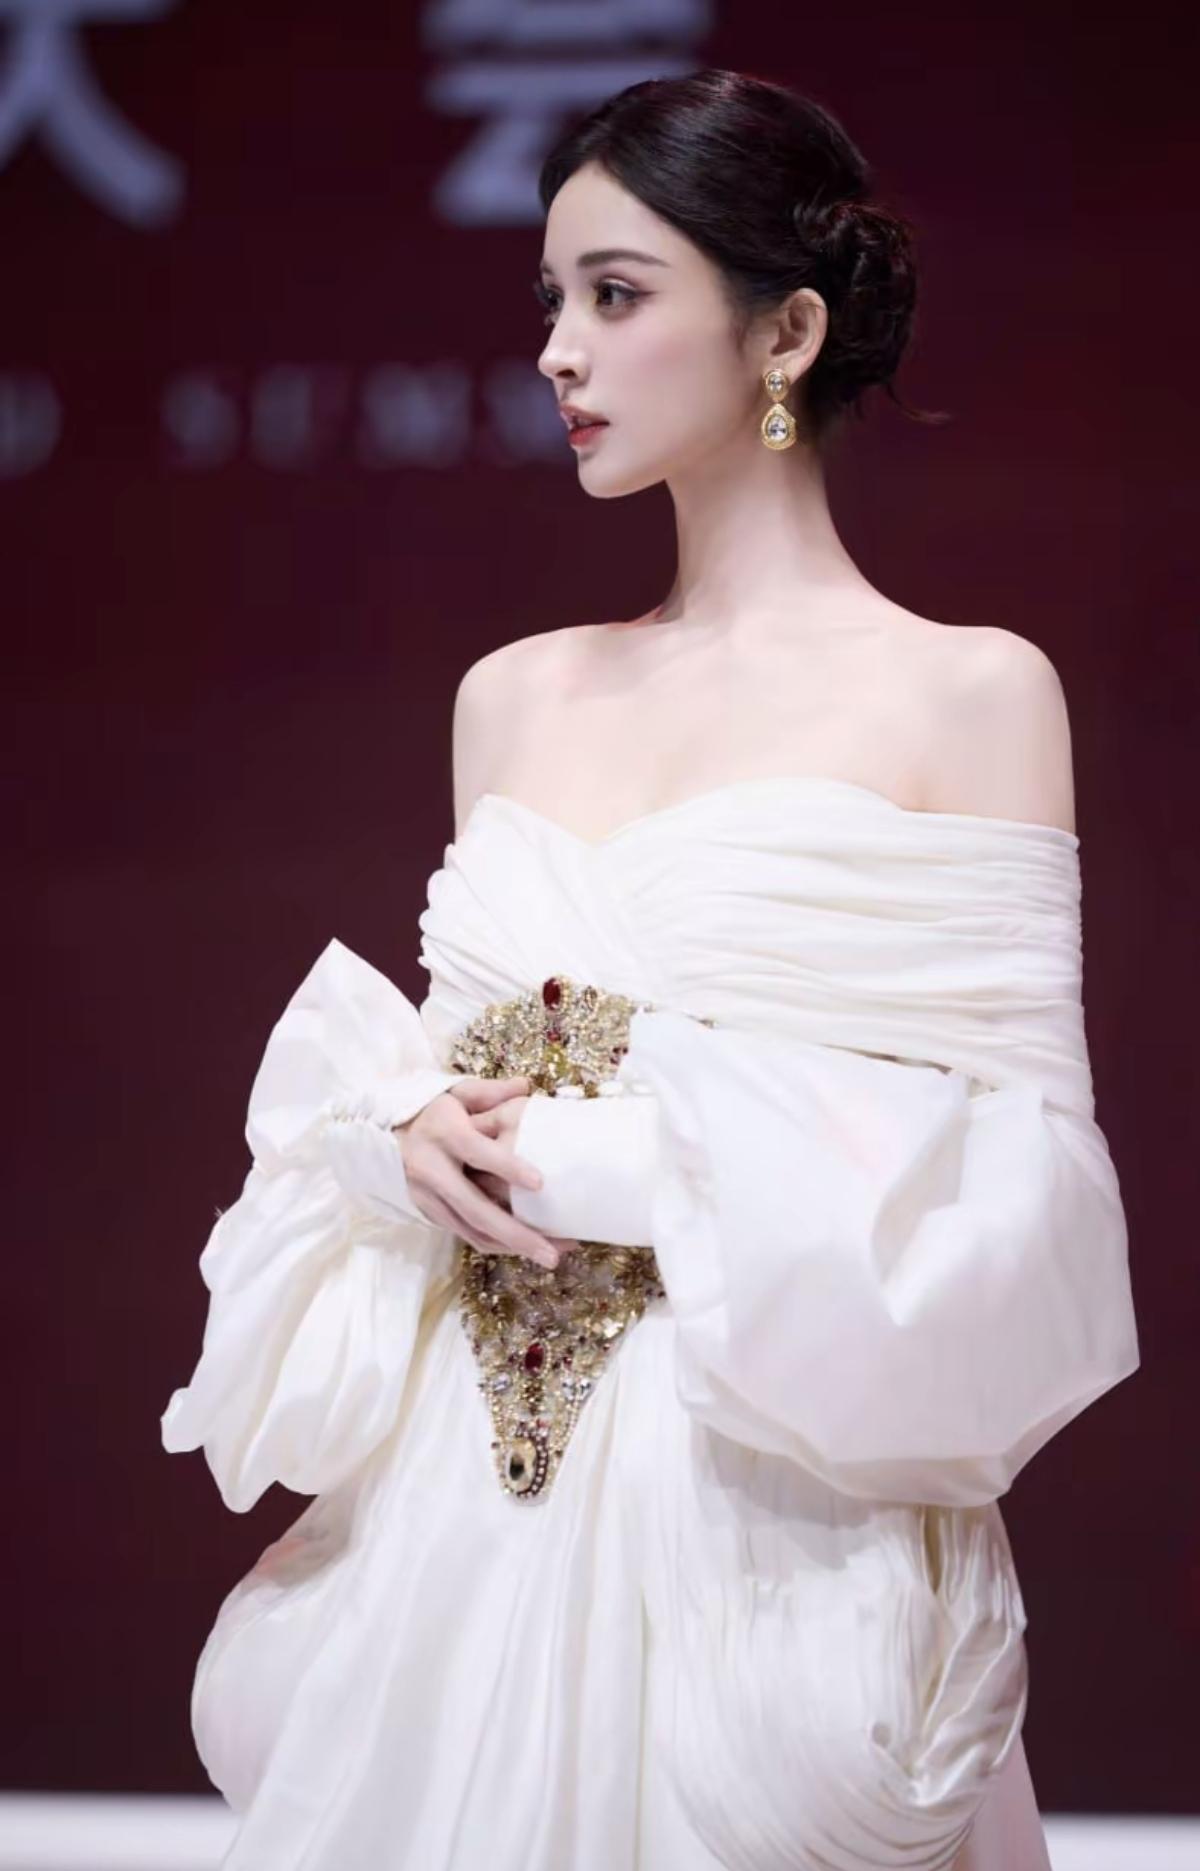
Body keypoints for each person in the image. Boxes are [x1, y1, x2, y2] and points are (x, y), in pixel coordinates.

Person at [160, 69, 1139, 1871]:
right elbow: (429, 1078)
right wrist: (402, 1132)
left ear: (788, 332)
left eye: (616, 294)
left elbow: (1031, 1197)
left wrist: (630, 1162)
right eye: (553, 297)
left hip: (763, 1521)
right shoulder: (512, 696)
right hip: (461, 1512)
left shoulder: (972, 695)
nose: (559, 349)